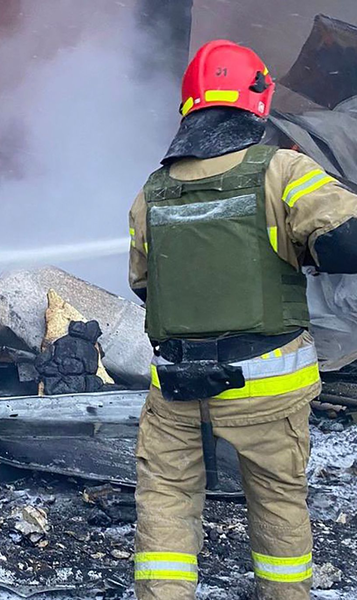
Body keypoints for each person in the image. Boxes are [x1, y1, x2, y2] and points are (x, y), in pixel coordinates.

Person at [128, 40, 357, 600]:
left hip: (176, 386)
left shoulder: (151, 192)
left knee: (166, 501)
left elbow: (144, 287)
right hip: (268, 387)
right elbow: (347, 240)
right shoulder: (284, 169)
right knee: (276, 499)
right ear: (258, 98)